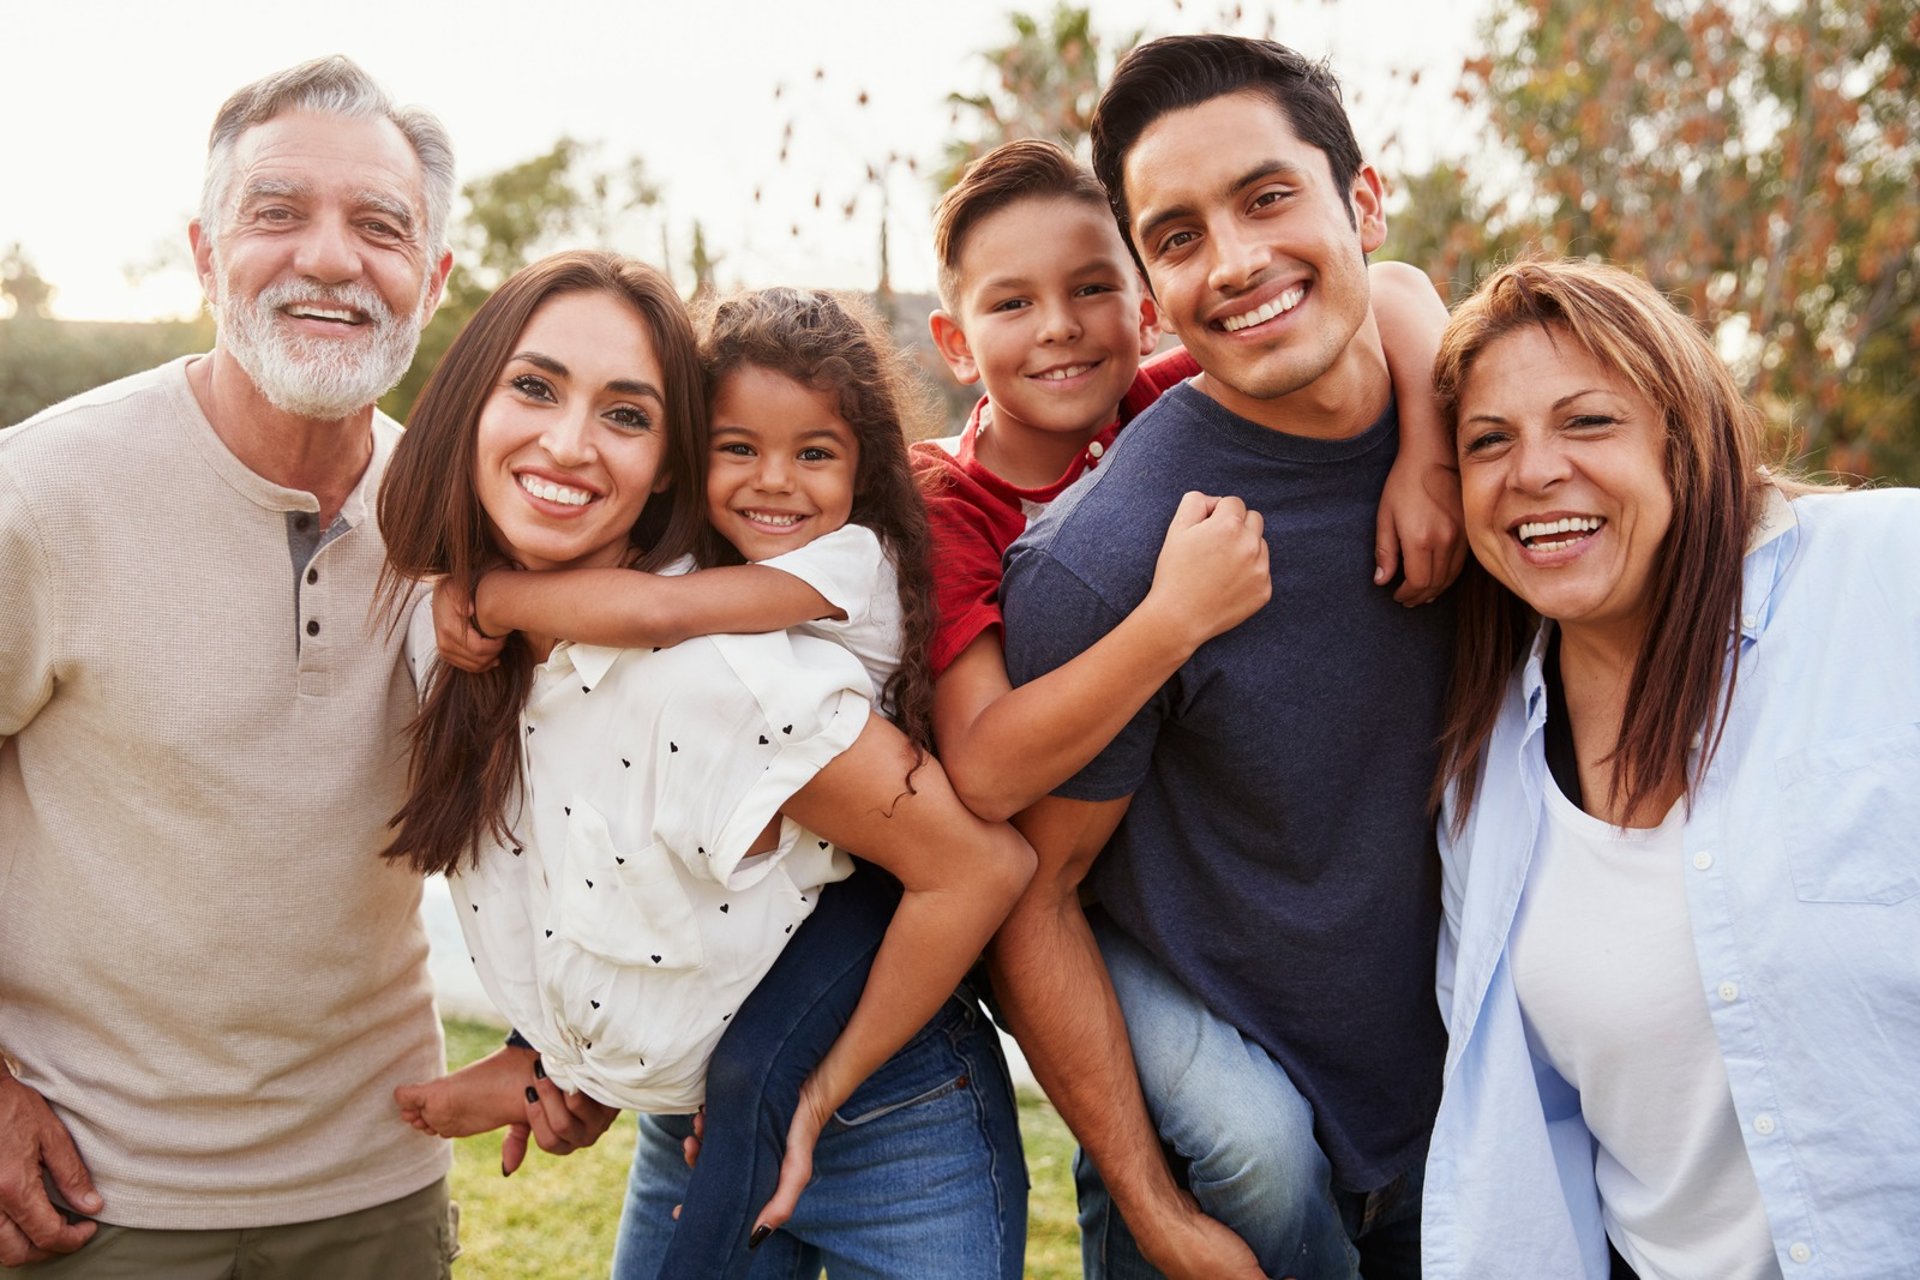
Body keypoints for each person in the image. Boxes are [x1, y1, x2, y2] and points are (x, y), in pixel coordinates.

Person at [0, 55, 560, 1276]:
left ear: (432, 280)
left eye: (380, 227)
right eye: (277, 213)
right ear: (204, 255)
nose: (330, 258)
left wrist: (575, 1044)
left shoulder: (468, 531)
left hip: (380, 1186)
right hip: (92, 1199)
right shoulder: (38, 497)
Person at [379, 262, 1035, 1280]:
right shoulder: (467, 635)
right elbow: (614, 880)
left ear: (663, 461)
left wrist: (809, 1096)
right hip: (689, 1096)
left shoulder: (729, 670)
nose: (567, 441)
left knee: (749, 1096)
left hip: (889, 1108)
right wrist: (572, 1062)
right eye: (537, 387)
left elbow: (979, 865)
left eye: (624, 413)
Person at [991, 36, 1463, 1280]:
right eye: (1182, 235)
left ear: (1360, 202)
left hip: (1474, 1136)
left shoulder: (1491, 446)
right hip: (1231, 1191)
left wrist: (1434, 441)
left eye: (1267, 198)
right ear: (1150, 286)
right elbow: (1034, 896)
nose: (1239, 261)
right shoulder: (1111, 564)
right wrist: (1155, 1204)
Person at [1423, 258, 1920, 1279]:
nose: (1536, 471)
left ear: (1682, 440)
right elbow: (1533, 1144)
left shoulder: (1887, 574)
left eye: (1589, 422)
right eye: (1488, 442)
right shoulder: (1484, 789)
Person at [916, 137, 1457, 828]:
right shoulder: (943, 499)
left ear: (1148, 315)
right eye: (1013, 304)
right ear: (958, 344)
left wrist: (1430, 457)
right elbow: (984, 773)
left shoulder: (1160, 403)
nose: (1060, 327)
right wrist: (1176, 619)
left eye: (1090, 288)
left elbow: (1390, 285)